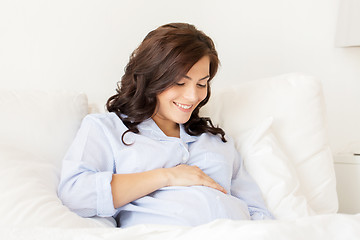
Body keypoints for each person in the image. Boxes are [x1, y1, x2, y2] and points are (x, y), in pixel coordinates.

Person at [57, 23, 273, 228]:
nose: (192, 96)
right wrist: (167, 176)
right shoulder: (107, 129)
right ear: (151, 78)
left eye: (201, 84)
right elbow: (76, 194)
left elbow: (257, 211)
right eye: (180, 82)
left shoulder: (216, 141)